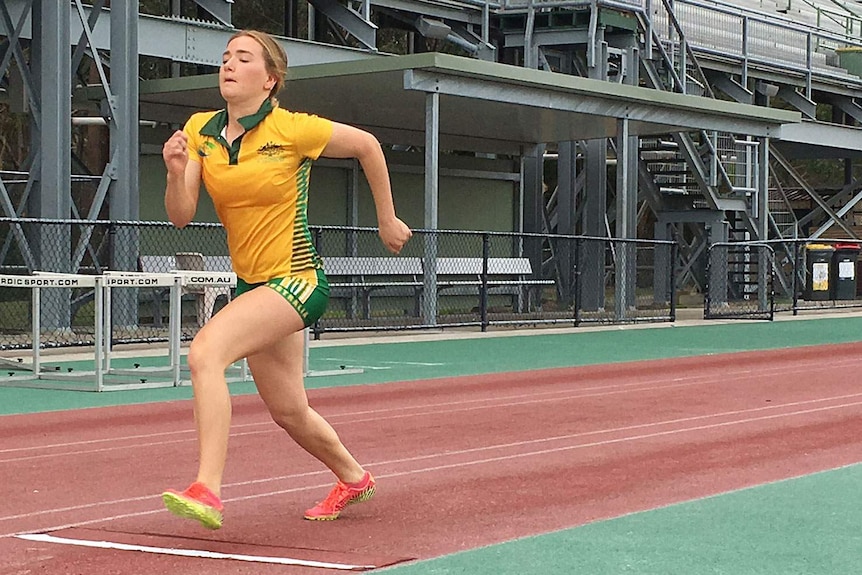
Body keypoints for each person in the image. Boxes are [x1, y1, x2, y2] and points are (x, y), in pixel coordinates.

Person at [160, 29, 412, 529]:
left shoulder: (293, 129)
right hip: (253, 285)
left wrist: (387, 218)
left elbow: (367, 145)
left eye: (243, 58)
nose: (228, 64)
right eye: (226, 57)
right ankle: (353, 478)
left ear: (269, 80)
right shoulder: (199, 132)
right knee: (288, 410)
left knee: (206, 352)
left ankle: (207, 488)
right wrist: (174, 171)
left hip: (297, 279)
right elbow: (182, 216)